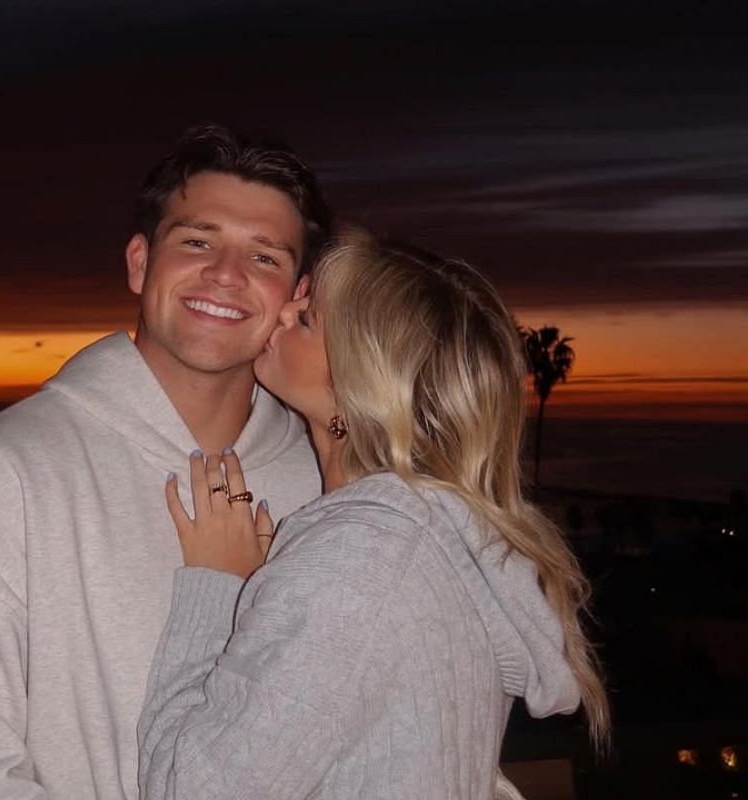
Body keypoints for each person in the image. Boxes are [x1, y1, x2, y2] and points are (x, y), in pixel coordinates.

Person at [0, 125, 332, 799]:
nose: (226, 274)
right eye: (197, 241)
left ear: (296, 294)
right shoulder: (12, 471)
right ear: (138, 262)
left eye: (265, 257)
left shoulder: (329, 483)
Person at [139, 228, 610, 799]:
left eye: (308, 318)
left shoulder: (362, 559)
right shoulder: (432, 541)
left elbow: (189, 791)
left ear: (359, 384)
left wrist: (218, 591)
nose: (283, 312)